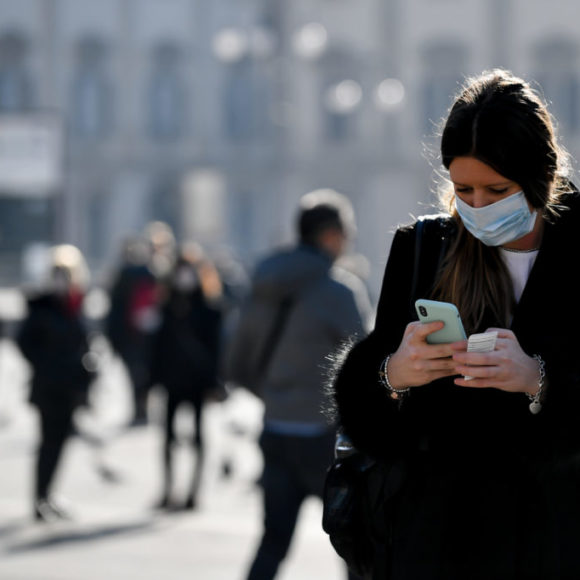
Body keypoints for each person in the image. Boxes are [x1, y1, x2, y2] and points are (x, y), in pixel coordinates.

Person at [331, 68, 580, 579]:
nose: (478, 206)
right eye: (463, 188)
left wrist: (539, 380)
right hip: (439, 543)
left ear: (540, 177)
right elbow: (366, 410)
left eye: (497, 189)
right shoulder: (424, 248)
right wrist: (392, 375)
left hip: (555, 540)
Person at [226, 189, 372, 580]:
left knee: (273, 540)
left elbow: (238, 354)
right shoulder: (338, 291)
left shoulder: (264, 283)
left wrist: (272, 394)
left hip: (274, 427)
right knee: (355, 540)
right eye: (347, 233)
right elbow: (367, 365)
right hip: (323, 436)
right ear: (329, 235)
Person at [16, 244, 96, 522]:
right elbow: (25, 343)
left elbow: (84, 342)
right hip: (48, 386)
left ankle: (49, 494)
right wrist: (47, 363)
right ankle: (39, 498)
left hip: (71, 386)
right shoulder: (42, 306)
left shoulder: (76, 305)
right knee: (47, 443)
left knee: (61, 443)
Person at [150, 242, 224, 511]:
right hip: (172, 380)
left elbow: (216, 349)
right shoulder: (167, 306)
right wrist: (151, 380)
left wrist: (214, 382)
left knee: (198, 437)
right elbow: (157, 346)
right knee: (168, 437)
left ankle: (194, 491)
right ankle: (168, 488)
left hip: (197, 381)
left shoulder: (209, 308)